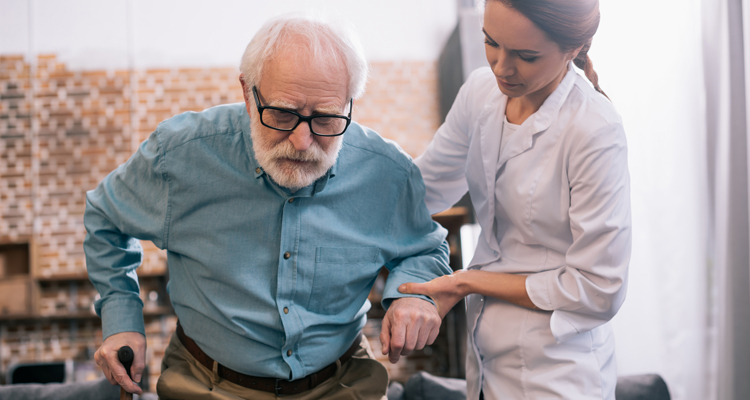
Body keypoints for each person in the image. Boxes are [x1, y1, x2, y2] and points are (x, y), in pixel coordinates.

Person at [83, 13, 451, 400]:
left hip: (343, 384)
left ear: (349, 103)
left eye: (325, 118)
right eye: (282, 114)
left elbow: (424, 247)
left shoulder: (386, 173)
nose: (302, 140)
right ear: (247, 92)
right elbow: (105, 218)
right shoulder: (180, 156)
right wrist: (122, 318)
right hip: (206, 385)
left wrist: (414, 294)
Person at [398, 1, 631, 399]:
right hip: (486, 360)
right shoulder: (480, 92)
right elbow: (422, 189)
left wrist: (467, 282)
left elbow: (599, 288)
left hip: (559, 371)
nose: (501, 67)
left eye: (526, 56)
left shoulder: (594, 129)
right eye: (491, 42)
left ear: (572, 49)